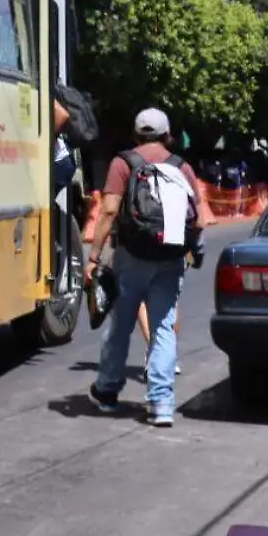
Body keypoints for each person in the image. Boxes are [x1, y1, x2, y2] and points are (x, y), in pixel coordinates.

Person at [84, 108, 203, 427]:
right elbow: (199, 217)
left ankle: (107, 392)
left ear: (135, 134)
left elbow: (108, 212)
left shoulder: (124, 163)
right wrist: (192, 249)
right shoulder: (182, 166)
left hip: (132, 255)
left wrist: (94, 257)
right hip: (171, 257)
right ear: (167, 135)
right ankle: (162, 403)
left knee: (121, 324)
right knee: (163, 325)